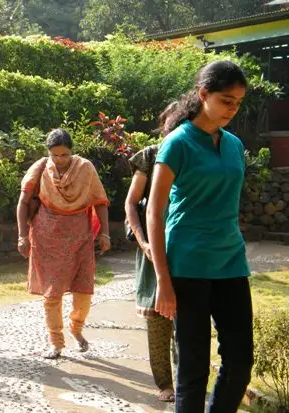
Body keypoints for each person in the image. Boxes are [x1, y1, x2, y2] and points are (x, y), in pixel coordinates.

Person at [147, 60, 253, 412]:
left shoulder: (235, 145)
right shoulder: (177, 143)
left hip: (231, 261)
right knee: (193, 369)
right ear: (204, 94)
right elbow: (154, 211)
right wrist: (162, 279)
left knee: (240, 362)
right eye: (226, 100)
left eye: (238, 102)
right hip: (188, 265)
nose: (232, 109)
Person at [17, 128, 111, 359]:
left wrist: (105, 234)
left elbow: (100, 201)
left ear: (72, 152)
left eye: (64, 155)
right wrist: (21, 236)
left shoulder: (85, 169)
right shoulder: (40, 168)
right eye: (55, 155)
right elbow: (23, 201)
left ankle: (76, 328)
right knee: (52, 293)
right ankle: (56, 342)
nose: (60, 160)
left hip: (80, 238)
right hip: (46, 238)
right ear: (48, 153)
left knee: (84, 291)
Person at [125, 143, 176, 403]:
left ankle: (187, 379)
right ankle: (165, 383)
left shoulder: (203, 150)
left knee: (189, 318)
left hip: (190, 248)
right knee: (158, 320)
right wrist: (143, 241)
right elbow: (131, 203)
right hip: (153, 249)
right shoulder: (151, 155)